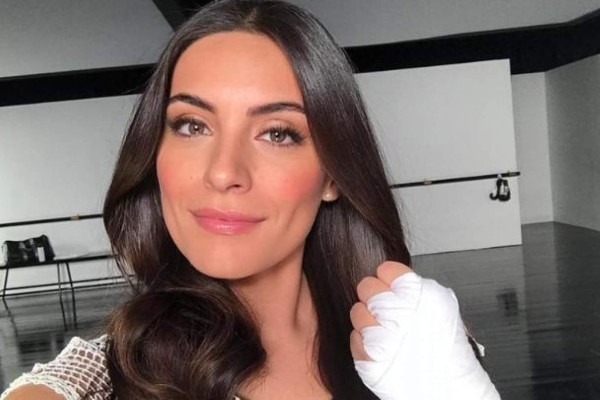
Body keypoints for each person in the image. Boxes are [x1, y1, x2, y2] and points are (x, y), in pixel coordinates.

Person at [1, 1, 501, 399]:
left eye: (278, 133)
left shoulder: (417, 342)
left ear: (332, 175)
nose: (223, 172)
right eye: (192, 126)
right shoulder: (101, 379)